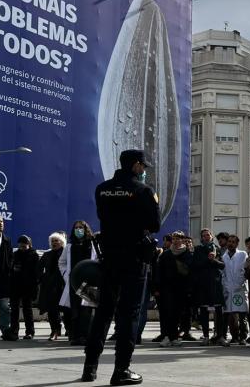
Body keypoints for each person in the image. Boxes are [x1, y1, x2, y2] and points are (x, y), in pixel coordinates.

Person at [82, 149, 161, 385]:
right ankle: (121, 370)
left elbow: (102, 216)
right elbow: (154, 224)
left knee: (103, 311)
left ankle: (90, 368)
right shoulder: (144, 191)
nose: (145, 171)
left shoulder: (102, 189)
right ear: (136, 166)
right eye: (144, 167)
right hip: (134, 258)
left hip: (109, 257)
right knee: (129, 314)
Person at [59, 220, 99, 346]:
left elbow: (98, 261)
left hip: (88, 284)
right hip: (75, 284)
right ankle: (75, 336)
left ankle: (85, 336)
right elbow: (62, 262)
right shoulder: (69, 247)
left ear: (86, 229)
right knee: (74, 310)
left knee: (86, 310)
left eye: (81, 227)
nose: (78, 230)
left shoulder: (93, 245)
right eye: (76, 228)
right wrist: (67, 275)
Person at [154, 231, 191, 347]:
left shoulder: (187, 254)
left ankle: (174, 337)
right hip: (166, 288)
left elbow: (191, 272)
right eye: (174, 238)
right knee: (166, 313)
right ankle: (165, 336)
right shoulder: (166, 254)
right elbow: (158, 272)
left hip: (181, 289)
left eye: (178, 238)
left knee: (177, 313)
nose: (175, 241)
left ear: (182, 240)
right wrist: (156, 288)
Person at [192, 228, 226, 346]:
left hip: (216, 284)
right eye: (204, 235)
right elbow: (196, 265)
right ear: (202, 238)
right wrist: (208, 259)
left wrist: (214, 260)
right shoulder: (198, 249)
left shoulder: (218, 249)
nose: (206, 237)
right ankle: (206, 336)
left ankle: (220, 336)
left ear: (211, 236)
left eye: (208, 235)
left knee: (219, 311)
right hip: (203, 284)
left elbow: (222, 265)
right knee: (204, 311)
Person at [221, 235, 249, 346]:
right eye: (229, 241)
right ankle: (234, 337)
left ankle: (243, 337)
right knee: (229, 315)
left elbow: (244, 271)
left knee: (242, 315)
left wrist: (239, 283)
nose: (230, 243)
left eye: (233, 242)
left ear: (237, 244)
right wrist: (225, 286)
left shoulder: (242, 254)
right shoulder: (224, 257)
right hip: (228, 289)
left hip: (240, 289)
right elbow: (223, 274)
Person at [10, 235, 40, 340]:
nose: (22, 248)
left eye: (24, 246)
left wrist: (34, 287)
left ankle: (30, 332)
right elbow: (11, 269)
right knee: (14, 310)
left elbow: (36, 273)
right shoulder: (15, 254)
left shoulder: (34, 255)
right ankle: (14, 331)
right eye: (20, 246)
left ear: (29, 244)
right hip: (16, 286)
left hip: (28, 286)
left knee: (27, 310)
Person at [39, 232, 67, 341]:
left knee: (66, 309)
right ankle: (54, 330)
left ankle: (69, 329)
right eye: (52, 241)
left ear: (62, 242)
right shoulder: (47, 255)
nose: (54, 243)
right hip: (50, 287)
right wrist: (43, 278)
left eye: (57, 241)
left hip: (63, 285)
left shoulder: (66, 254)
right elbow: (38, 269)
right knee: (51, 310)